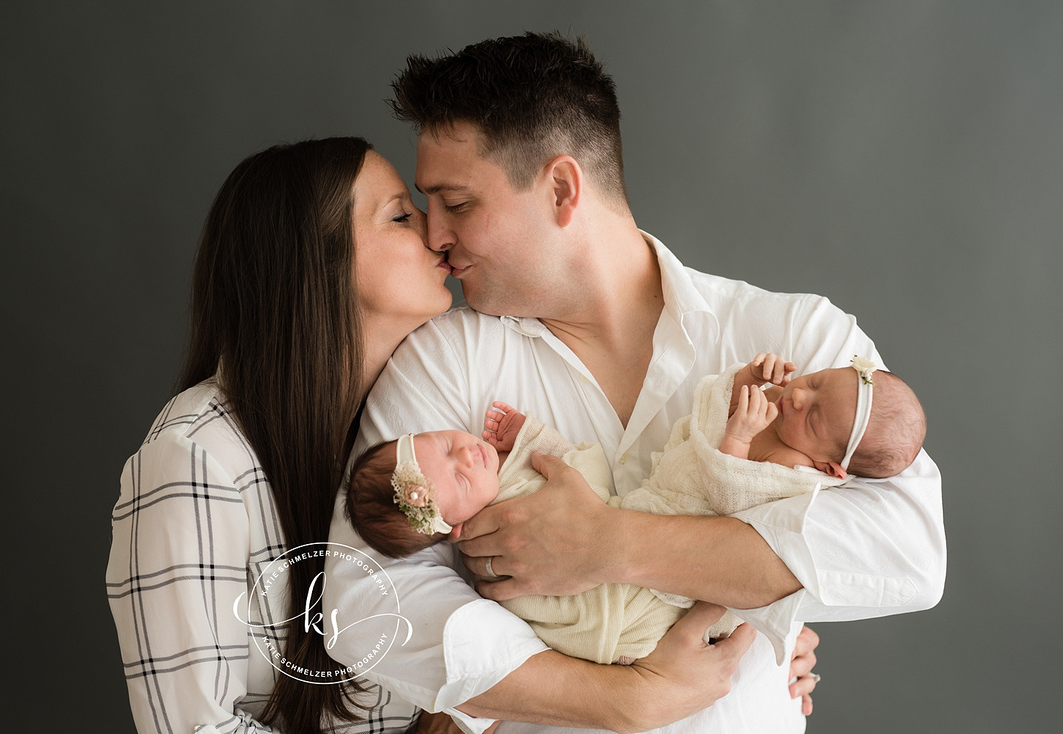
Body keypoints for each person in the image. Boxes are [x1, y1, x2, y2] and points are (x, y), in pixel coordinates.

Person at [324, 32, 944, 734]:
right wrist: (624, 699)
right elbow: (365, 599)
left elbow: (906, 549)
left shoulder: (797, 337)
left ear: (562, 189)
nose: (434, 234)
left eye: (458, 203)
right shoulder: (444, 358)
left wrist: (611, 544)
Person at [106, 136, 763, 734]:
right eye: (399, 215)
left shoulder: (428, 432)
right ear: (316, 264)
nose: (436, 232)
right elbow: (195, 728)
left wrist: (758, 642)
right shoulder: (198, 458)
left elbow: (511, 638)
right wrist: (630, 697)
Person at [344, 353, 926, 666]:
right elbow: (578, 478)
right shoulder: (481, 530)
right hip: (628, 569)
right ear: (450, 525)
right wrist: (743, 382)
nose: (798, 393)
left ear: (831, 469)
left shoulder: (802, 479)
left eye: (816, 412)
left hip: (675, 557)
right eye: (816, 380)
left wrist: (737, 442)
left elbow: (736, 512)